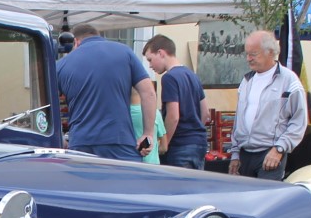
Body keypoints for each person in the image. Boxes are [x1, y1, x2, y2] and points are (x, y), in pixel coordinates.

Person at [56, 23, 155, 161]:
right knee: (127, 181)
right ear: (98, 36)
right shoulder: (125, 52)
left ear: (76, 42)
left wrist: (60, 139)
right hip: (120, 141)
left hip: (81, 143)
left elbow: (46, 106)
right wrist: (148, 133)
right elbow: (148, 92)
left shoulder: (61, 65)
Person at [227, 29, 307, 180]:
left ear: (270, 52)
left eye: (253, 54)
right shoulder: (247, 80)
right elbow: (239, 120)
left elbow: (299, 121)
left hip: (270, 155)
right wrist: (235, 153)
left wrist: (279, 148)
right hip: (245, 154)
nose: (248, 58)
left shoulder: (289, 81)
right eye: (247, 54)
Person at [142, 34, 209, 169]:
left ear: (161, 53)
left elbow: (173, 116)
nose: (150, 66)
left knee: (179, 189)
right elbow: (205, 113)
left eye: (150, 59)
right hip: (198, 143)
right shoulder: (192, 75)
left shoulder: (170, 78)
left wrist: (164, 143)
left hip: (180, 146)